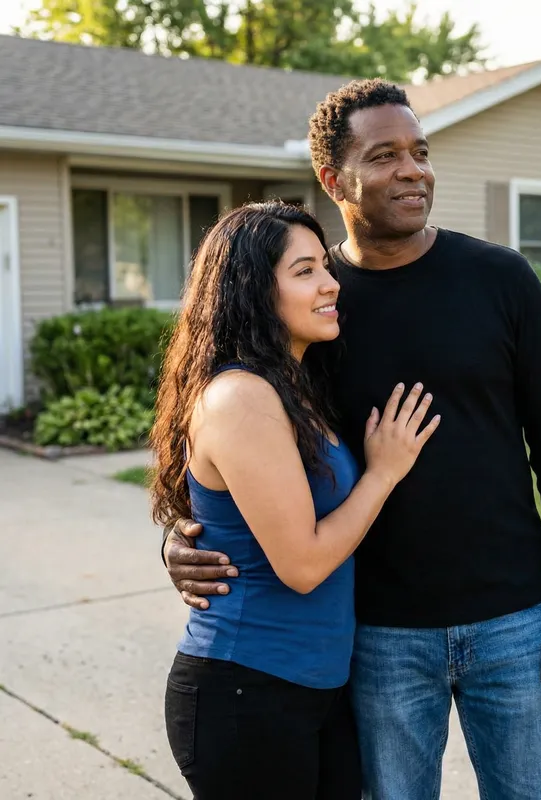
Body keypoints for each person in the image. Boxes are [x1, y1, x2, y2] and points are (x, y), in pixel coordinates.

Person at [163, 80, 541, 800]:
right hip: (378, 636)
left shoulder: (501, 280)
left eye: (420, 152)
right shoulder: (311, 303)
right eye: (386, 155)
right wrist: (184, 538)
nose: (413, 170)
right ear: (334, 179)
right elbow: (239, 450)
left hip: (514, 622)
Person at [150, 200, 440, 800]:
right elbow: (303, 566)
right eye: (304, 271)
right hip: (246, 690)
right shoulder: (242, 397)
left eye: (325, 267)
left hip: (313, 688)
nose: (331, 284)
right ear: (252, 290)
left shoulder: (295, 386)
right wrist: (383, 473)